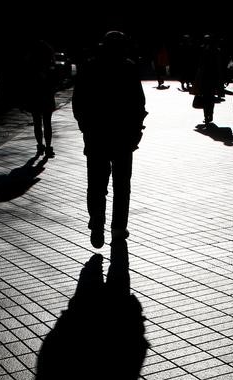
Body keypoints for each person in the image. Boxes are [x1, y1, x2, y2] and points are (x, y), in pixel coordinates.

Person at [72, 31, 147, 249]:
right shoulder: (128, 67)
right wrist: (137, 129)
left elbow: (79, 102)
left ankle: (97, 222)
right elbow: (138, 103)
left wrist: (85, 126)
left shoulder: (90, 67)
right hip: (123, 135)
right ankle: (118, 227)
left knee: (96, 184)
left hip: (96, 135)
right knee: (122, 185)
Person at [22, 39, 57, 158]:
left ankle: (41, 145)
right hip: (46, 94)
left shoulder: (30, 59)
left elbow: (25, 80)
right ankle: (47, 147)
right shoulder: (48, 58)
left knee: (37, 122)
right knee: (47, 122)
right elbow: (54, 79)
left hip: (35, 95)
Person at [192, 34, 224, 125]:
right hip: (213, 78)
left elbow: (199, 65)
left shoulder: (203, 50)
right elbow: (219, 65)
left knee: (205, 97)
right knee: (211, 97)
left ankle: (206, 115)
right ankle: (210, 114)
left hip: (204, 78)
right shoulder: (216, 51)